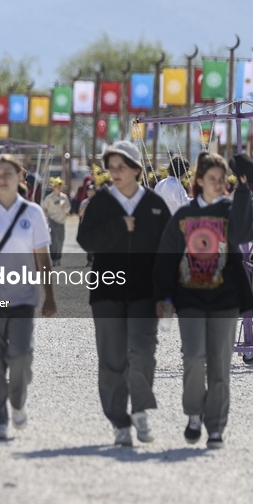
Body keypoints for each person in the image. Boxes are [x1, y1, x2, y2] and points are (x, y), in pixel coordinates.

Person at [154, 152, 253, 449]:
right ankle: (194, 414)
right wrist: (162, 295)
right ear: (199, 180)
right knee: (194, 357)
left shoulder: (230, 209)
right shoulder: (184, 216)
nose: (218, 184)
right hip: (190, 298)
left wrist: (244, 189)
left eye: (222, 179)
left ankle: (215, 427)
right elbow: (166, 256)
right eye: (212, 178)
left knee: (220, 365)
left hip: (226, 298)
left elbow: (243, 232)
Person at [76, 141, 172, 446]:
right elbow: (86, 240)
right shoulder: (101, 202)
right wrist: (119, 226)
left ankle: (140, 411)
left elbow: (167, 252)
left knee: (142, 353)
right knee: (111, 359)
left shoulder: (155, 205)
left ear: (136, 169)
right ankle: (119, 422)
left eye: (121, 167)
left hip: (146, 293)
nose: (115, 173)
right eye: (111, 167)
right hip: (106, 292)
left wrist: (166, 295)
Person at [0, 154, 56, 440]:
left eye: (7, 173)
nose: (2, 178)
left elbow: (43, 256)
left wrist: (50, 295)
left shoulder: (33, 213)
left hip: (23, 296)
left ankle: (17, 401)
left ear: (20, 177)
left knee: (21, 356)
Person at [41, 177, 70, 267]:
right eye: (57, 187)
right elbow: (44, 208)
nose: (59, 189)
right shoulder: (49, 198)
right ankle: (54, 259)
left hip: (61, 222)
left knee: (60, 240)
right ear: (53, 188)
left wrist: (65, 207)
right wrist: (46, 217)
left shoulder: (64, 197)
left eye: (60, 187)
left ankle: (58, 258)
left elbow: (68, 209)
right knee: (53, 241)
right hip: (53, 221)